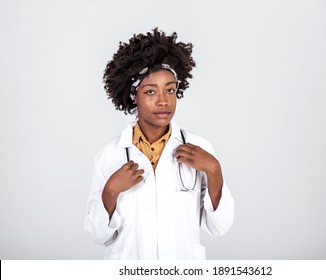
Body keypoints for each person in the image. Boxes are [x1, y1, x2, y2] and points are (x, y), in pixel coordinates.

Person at [84, 28, 234, 260]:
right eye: (151, 91)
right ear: (134, 96)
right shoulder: (109, 155)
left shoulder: (199, 148)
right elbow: (97, 235)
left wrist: (214, 170)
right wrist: (111, 191)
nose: (163, 101)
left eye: (170, 90)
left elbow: (220, 227)